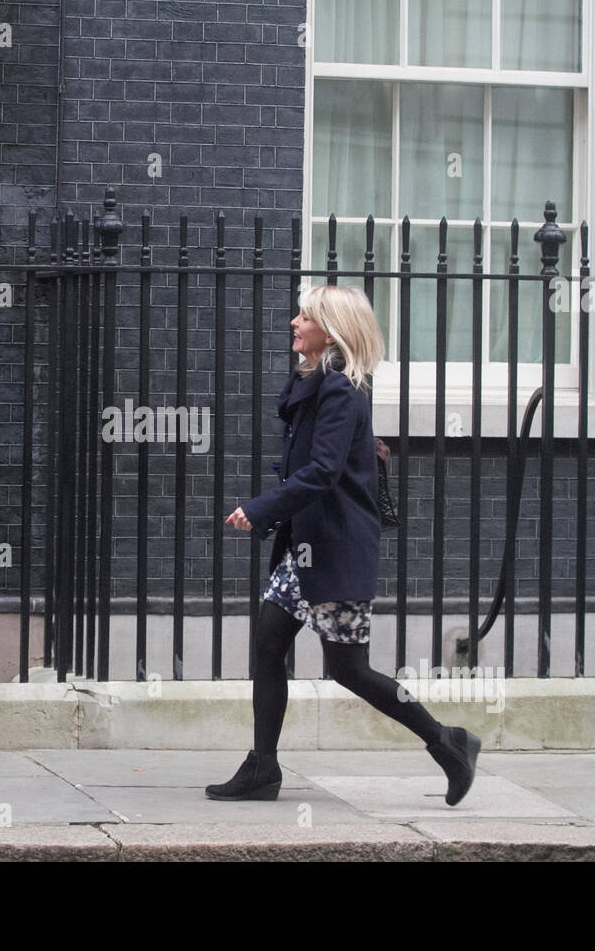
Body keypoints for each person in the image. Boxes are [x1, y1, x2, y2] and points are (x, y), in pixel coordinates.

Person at [208, 285, 481, 804]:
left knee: (348, 669)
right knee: (268, 647)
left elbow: (323, 472)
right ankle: (263, 766)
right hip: (305, 547)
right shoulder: (317, 382)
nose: (293, 322)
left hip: (333, 546)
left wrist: (261, 507)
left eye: (304, 316)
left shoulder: (339, 388)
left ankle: (448, 743)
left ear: (331, 330)